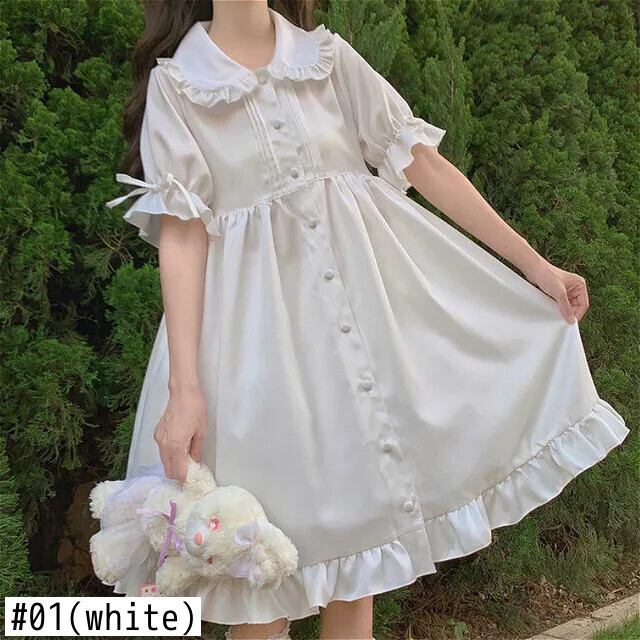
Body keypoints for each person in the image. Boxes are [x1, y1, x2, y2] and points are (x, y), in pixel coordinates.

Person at [104, 1, 629, 638]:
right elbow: (183, 237)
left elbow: (423, 163)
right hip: (252, 361)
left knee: (358, 570)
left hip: (360, 351)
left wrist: (536, 267)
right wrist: (184, 391)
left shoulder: (325, 60)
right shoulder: (180, 86)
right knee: (260, 579)